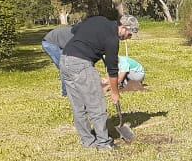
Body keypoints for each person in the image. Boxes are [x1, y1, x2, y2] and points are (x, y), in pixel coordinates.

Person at [60, 14, 139, 151]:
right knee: (97, 105)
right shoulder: (113, 40)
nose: (128, 38)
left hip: (65, 60)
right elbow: (113, 71)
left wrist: (95, 45)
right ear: (124, 28)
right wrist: (115, 93)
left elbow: (75, 31)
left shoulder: (99, 20)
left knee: (79, 106)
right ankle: (104, 144)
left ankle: (88, 142)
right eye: (130, 34)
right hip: (81, 64)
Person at [42, 25, 74, 96]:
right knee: (64, 67)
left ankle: (70, 89)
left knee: (69, 66)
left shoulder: (81, 32)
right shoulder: (79, 35)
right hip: (50, 43)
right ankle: (66, 92)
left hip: (60, 42)